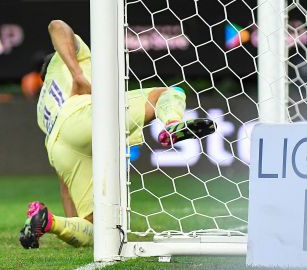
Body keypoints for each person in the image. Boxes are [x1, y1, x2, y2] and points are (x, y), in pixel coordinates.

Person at [19, 20, 215, 249]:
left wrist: (73, 217)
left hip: (58, 148)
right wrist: (77, 74)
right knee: (168, 93)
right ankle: (172, 124)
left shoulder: (42, 107)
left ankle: (50, 221)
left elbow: (64, 182)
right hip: (82, 114)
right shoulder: (70, 58)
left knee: (97, 230)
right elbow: (56, 25)